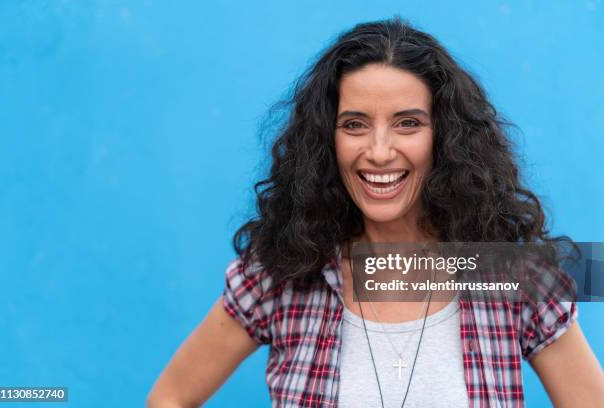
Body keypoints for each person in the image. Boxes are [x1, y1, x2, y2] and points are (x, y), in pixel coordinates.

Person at [147, 17, 604, 407]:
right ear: (327, 140)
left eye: (408, 123)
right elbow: (169, 397)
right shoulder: (279, 276)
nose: (380, 151)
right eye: (354, 124)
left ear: (444, 138)